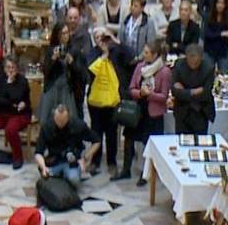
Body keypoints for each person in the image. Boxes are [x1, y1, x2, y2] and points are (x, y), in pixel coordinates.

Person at [86, 29, 132, 178]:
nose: (101, 40)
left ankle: (112, 162)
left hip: (112, 100)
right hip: (96, 101)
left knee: (112, 133)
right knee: (96, 131)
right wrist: (104, 55)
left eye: (103, 37)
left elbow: (131, 56)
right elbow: (91, 70)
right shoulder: (93, 53)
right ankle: (95, 161)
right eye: (97, 37)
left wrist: (115, 40)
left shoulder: (115, 51)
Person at [125, 42, 171, 185]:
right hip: (139, 109)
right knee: (129, 137)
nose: (144, 55)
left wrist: (150, 94)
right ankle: (125, 169)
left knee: (149, 143)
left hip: (154, 112)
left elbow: (164, 96)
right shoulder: (140, 67)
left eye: (146, 52)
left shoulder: (164, 71)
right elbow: (132, 87)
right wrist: (140, 93)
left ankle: (146, 174)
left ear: (155, 54)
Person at [34, 105, 100, 186]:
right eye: (57, 120)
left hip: (72, 161)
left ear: (68, 118)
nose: (60, 123)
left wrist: (85, 158)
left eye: (62, 120)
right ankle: (60, 177)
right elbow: (38, 152)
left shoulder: (78, 126)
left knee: (74, 180)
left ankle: (68, 176)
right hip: (54, 160)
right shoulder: (47, 127)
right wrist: (43, 167)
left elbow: (97, 141)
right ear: (54, 116)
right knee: (46, 178)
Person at [170, 45, 217, 135]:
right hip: (182, 111)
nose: (193, 65)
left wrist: (184, 91)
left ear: (201, 58)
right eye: (190, 62)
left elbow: (205, 94)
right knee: (181, 141)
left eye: (196, 63)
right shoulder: (179, 64)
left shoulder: (209, 68)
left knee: (200, 142)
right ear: (186, 58)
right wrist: (193, 92)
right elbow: (174, 91)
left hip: (200, 111)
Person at [201, 0, 228, 72]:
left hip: (224, 52)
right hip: (209, 52)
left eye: (222, 3)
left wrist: (216, 35)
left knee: (223, 76)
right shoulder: (208, 16)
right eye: (218, 2)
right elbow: (206, 34)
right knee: (207, 74)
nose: (220, 5)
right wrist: (222, 34)